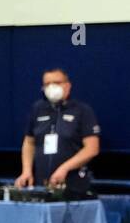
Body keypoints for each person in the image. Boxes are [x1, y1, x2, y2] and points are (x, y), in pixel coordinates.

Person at [15, 69, 100, 198]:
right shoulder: (38, 109)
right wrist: (26, 171)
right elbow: (29, 142)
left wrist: (64, 168)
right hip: (41, 184)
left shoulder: (82, 110)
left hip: (73, 184)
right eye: (47, 84)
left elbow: (92, 148)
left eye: (56, 82)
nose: (52, 87)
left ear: (67, 85)